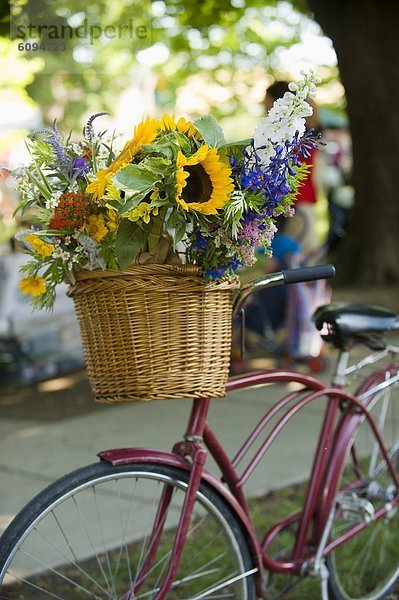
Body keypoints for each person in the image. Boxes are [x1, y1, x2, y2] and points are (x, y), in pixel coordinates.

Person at [264, 81, 322, 256]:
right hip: (297, 207)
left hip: (298, 208)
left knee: (295, 264)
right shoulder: (301, 135)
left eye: (267, 103)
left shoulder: (294, 138)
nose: (264, 109)